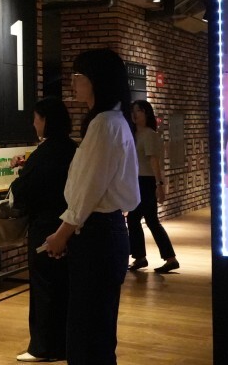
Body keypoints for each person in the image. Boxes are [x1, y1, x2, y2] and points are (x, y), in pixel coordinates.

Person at [42, 48, 140, 365]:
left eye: (78, 77)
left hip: (98, 235)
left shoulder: (104, 124)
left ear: (95, 81)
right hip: (106, 233)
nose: (73, 84)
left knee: (87, 334)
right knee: (97, 330)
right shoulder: (114, 121)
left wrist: (62, 234)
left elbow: (87, 190)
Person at [9, 98, 77, 362]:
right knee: (65, 286)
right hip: (69, 227)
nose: (34, 123)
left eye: (36, 118)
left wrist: (19, 179)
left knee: (44, 286)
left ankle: (42, 347)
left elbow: (23, 192)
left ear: (45, 120)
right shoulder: (73, 149)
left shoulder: (43, 153)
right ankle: (64, 343)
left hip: (45, 227)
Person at [127, 100, 179, 273]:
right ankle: (149, 257)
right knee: (143, 220)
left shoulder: (149, 134)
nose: (135, 114)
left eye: (138, 111)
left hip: (146, 182)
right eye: (133, 111)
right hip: (138, 181)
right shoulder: (135, 134)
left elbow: (154, 161)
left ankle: (158, 258)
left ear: (146, 113)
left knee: (142, 220)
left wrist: (159, 184)